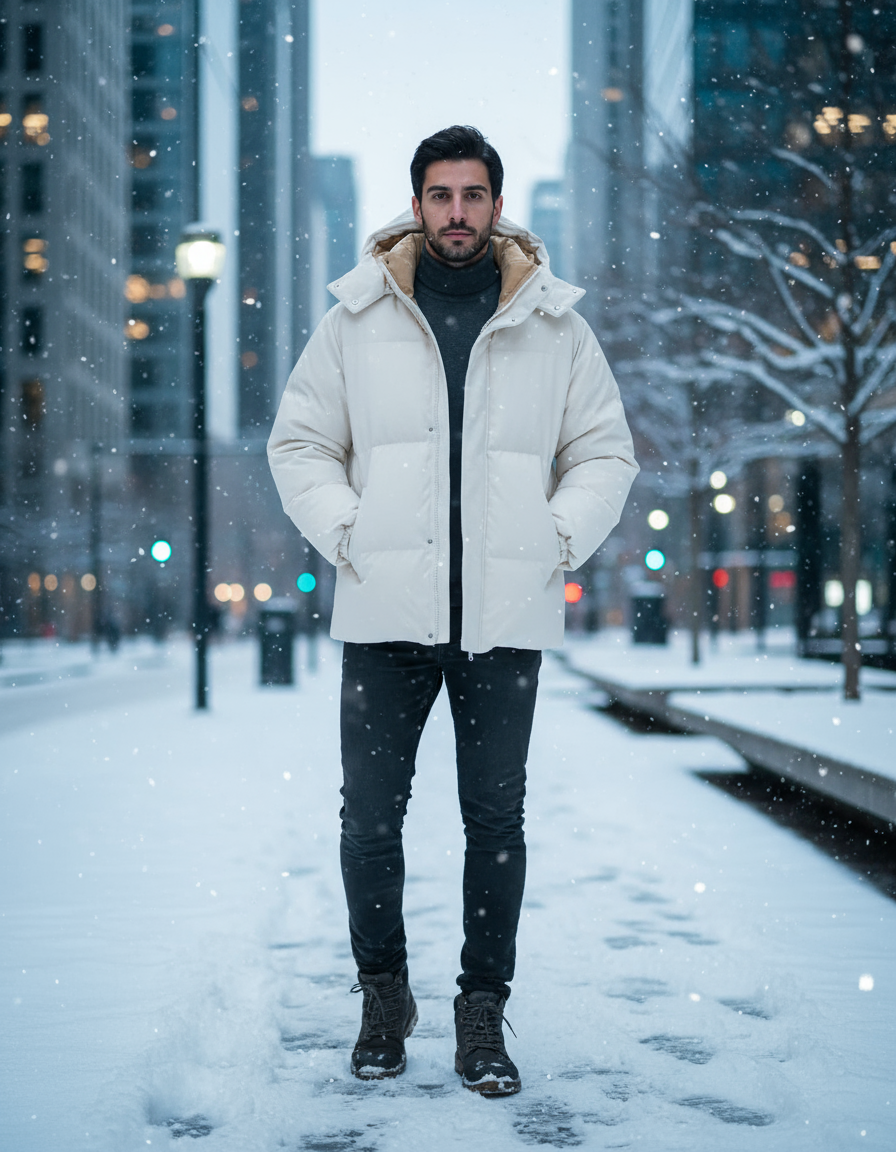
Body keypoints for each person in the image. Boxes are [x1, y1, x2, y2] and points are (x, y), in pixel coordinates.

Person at [268, 125, 638, 1096]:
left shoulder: (556, 324)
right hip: (385, 614)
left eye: (473, 195)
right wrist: (348, 532)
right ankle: (383, 998)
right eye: (440, 195)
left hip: (502, 618)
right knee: (367, 824)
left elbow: (604, 453)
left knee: (495, 820)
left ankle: (482, 1013)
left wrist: (556, 540)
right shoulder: (355, 318)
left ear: (496, 205)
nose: (458, 213)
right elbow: (298, 443)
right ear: (417, 203)